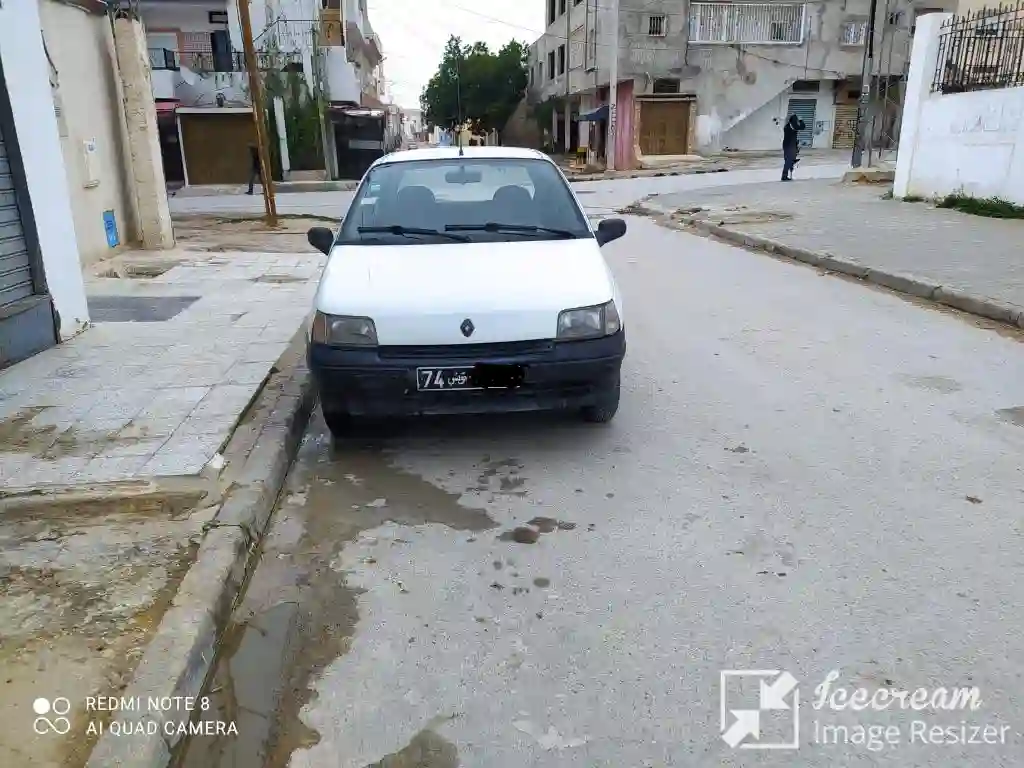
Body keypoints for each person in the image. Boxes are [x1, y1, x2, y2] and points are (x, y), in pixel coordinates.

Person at [781, 114, 805, 182]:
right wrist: (801, 120)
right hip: (790, 146)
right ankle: (784, 176)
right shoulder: (793, 126)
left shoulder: (787, 126)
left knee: (788, 160)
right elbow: (802, 127)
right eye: (796, 120)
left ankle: (786, 174)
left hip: (788, 145)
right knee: (789, 161)